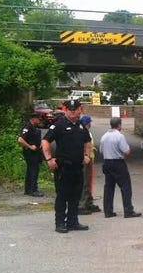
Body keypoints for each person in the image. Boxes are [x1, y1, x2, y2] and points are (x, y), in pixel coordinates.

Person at [41, 99, 92, 233]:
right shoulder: (59, 125)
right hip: (63, 167)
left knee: (75, 196)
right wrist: (49, 159)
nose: (74, 112)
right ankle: (60, 223)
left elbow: (88, 141)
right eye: (71, 110)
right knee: (63, 196)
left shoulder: (81, 126)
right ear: (66, 110)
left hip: (77, 167)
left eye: (76, 110)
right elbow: (45, 141)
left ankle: (72, 221)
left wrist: (87, 155)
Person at [100, 117, 141, 218]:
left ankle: (108, 211)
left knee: (109, 187)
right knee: (125, 187)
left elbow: (101, 150)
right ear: (119, 125)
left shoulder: (104, 136)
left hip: (107, 162)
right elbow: (126, 151)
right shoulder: (120, 136)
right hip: (118, 163)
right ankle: (128, 210)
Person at [78, 115, 101, 214]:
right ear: (87, 123)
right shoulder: (83, 132)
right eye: (89, 122)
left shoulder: (86, 132)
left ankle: (88, 202)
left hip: (89, 159)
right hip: (85, 160)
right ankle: (82, 205)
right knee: (84, 182)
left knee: (88, 182)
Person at [18, 112, 44, 197]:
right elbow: (20, 139)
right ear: (33, 119)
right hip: (30, 152)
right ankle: (33, 190)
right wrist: (29, 146)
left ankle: (28, 189)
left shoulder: (34, 127)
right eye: (38, 119)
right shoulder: (27, 126)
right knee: (34, 170)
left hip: (36, 152)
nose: (39, 120)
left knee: (31, 170)